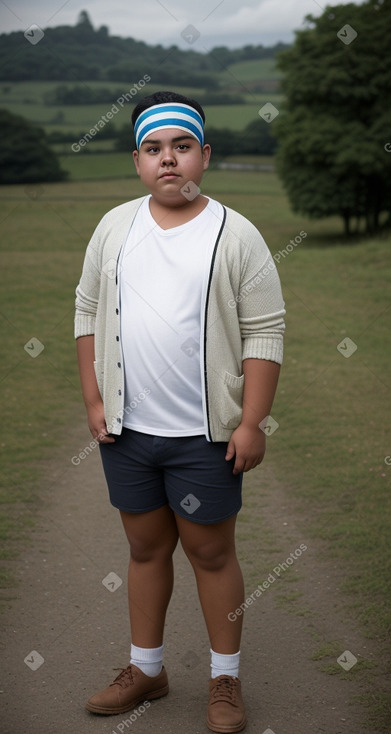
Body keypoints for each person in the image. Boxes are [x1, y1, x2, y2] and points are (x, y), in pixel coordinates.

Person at [75, 90, 285, 733]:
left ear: (204, 156)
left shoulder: (236, 233)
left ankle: (224, 681)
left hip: (205, 436)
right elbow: (87, 311)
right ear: (138, 160)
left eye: (182, 147)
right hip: (130, 431)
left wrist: (250, 421)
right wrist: (93, 398)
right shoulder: (114, 227)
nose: (169, 160)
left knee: (211, 552)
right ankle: (148, 669)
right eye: (154, 149)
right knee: (144, 547)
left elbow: (265, 332)